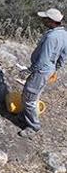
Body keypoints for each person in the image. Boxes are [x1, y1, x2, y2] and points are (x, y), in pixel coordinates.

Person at [19, 8, 67, 137]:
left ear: (51, 21)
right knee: (33, 95)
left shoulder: (51, 37)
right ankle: (26, 116)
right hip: (48, 69)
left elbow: (42, 59)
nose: (42, 20)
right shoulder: (64, 34)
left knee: (29, 97)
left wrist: (28, 70)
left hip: (41, 70)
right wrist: (55, 69)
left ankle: (32, 126)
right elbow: (63, 56)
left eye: (45, 19)